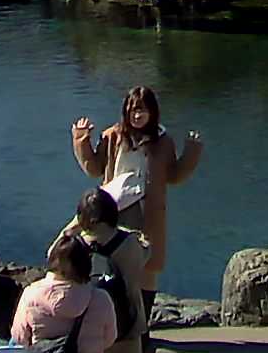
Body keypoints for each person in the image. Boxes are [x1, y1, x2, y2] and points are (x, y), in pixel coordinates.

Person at [74, 87, 206, 307]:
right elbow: (95, 168)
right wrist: (82, 140)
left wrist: (192, 151)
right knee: (110, 263)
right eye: (133, 111)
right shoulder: (112, 135)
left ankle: (142, 325)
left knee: (147, 266)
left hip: (147, 212)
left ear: (152, 112)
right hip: (113, 208)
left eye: (142, 111)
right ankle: (115, 322)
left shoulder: (163, 141)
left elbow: (173, 175)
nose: (137, 116)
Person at [58, 188, 153, 353]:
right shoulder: (131, 244)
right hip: (129, 325)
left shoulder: (78, 248)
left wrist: (71, 228)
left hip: (91, 326)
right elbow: (147, 253)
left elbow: (52, 255)